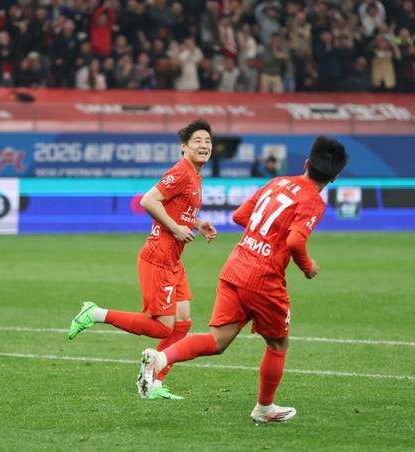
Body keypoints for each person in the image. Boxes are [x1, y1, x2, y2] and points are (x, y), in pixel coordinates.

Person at [136, 136, 349, 423]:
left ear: (307, 163)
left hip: (236, 266)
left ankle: (160, 359)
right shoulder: (313, 201)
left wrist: (262, 235)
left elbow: (240, 216)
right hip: (264, 279)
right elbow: (296, 241)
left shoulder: (278, 182)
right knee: (278, 345)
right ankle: (264, 409)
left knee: (217, 341)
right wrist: (307, 266)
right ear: (334, 177)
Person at [67, 119, 218, 400]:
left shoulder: (195, 175)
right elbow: (148, 200)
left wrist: (197, 223)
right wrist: (175, 228)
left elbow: (177, 208)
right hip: (159, 257)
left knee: (183, 322)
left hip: (173, 260)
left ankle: (153, 381)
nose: (204, 145)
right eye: (197, 140)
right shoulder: (181, 171)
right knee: (162, 327)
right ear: (184, 147)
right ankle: (95, 313)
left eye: (207, 141)